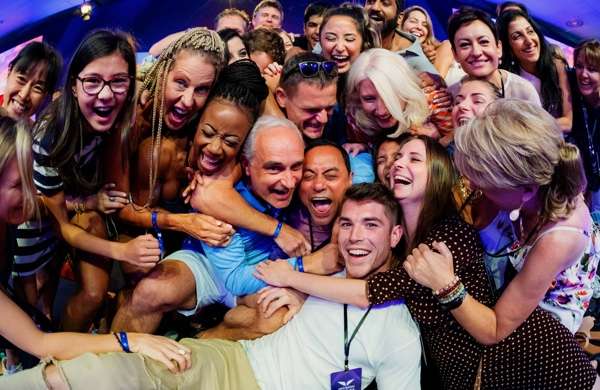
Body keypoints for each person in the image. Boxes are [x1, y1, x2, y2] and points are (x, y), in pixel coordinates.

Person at [255, 129, 598, 389]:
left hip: (530, 358)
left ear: (436, 173)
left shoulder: (448, 234)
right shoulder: (401, 240)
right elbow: (350, 272)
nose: (397, 164)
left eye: (413, 159)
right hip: (481, 373)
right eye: (395, 158)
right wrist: (301, 293)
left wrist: (289, 276)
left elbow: (369, 291)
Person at [5, 183, 422, 390]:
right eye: (347, 224)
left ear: (395, 235)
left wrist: (293, 282)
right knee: (94, 376)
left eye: (372, 226)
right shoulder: (325, 273)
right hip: (231, 362)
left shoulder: (399, 331)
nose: (355, 237)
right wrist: (295, 288)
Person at [0, 115, 192, 385]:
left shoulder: (15, 213)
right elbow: (40, 343)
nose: (32, 195)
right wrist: (130, 340)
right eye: (19, 185)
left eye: (30, 180)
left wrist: (120, 251)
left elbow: (67, 230)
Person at [14, 30, 161, 333]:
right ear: (74, 86)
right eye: (93, 81)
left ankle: (49, 328)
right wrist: (122, 250)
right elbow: (63, 226)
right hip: (34, 225)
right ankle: (22, 355)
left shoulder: (110, 123)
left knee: (50, 285)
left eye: (118, 81)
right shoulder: (51, 134)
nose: (106, 94)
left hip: (60, 222)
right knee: (27, 296)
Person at [111, 61, 269, 333]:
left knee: (273, 312)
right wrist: (185, 221)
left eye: (231, 142)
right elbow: (131, 210)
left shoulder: (253, 152)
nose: (216, 148)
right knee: (147, 287)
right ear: (199, 122)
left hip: (251, 263)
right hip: (191, 253)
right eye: (208, 133)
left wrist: (279, 231)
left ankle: (192, 351)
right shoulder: (162, 153)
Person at [200, 140, 352, 340]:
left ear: (351, 179)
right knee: (269, 307)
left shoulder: (358, 220)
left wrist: (302, 293)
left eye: (331, 176)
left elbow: (363, 289)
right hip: (252, 284)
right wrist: (303, 262)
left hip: (324, 313)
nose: (319, 185)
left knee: (275, 311)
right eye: (308, 176)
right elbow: (207, 195)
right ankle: (201, 341)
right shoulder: (285, 206)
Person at [108, 28, 232, 269]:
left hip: (186, 240)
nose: (187, 100)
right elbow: (119, 208)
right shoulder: (133, 121)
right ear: (163, 72)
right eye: (181, 83)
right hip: (130, 233)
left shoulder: (207, 120)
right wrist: (183, 222)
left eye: (201, 89)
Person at [447, 7, 541, 106]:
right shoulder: (450, 96)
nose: (476, 52)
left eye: (484, 42)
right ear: (455, 54)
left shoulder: (523, 91)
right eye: (465, 45)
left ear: (498, 48)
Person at [498, 10, 573, 132]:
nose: (528, 41)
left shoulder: (556, 66)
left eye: (530, 31)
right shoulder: (509, 80)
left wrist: (529, 128)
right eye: (517, 36)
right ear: (508, 47)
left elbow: (568, 122)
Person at [274, 52, 338, 140]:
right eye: (312, 110)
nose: (324, 119)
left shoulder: (339, 121)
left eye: (329, 108)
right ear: (282, 97)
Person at [363, 0, 438, 75]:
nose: (375, 7)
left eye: (385, 3)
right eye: (370, 1)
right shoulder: (355, 37)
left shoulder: (415, 59)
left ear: (399, 18)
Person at [569, 39, 600, 212]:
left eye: (593, 69)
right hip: (581, 181)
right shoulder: (570, 97)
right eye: (579, 66)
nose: (583, 74)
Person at [399, 6, 465, 85]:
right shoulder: (391, 57)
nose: (419, 27)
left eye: (425, 25)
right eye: (413, 21)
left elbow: (434, 86)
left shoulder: (444, 47)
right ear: (401, 23)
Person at [1, 41, 62, 122]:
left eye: (37, 88)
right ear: (9, 73)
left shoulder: (36, 133)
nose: (23, 95)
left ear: (44, 96)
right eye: (21, 79)